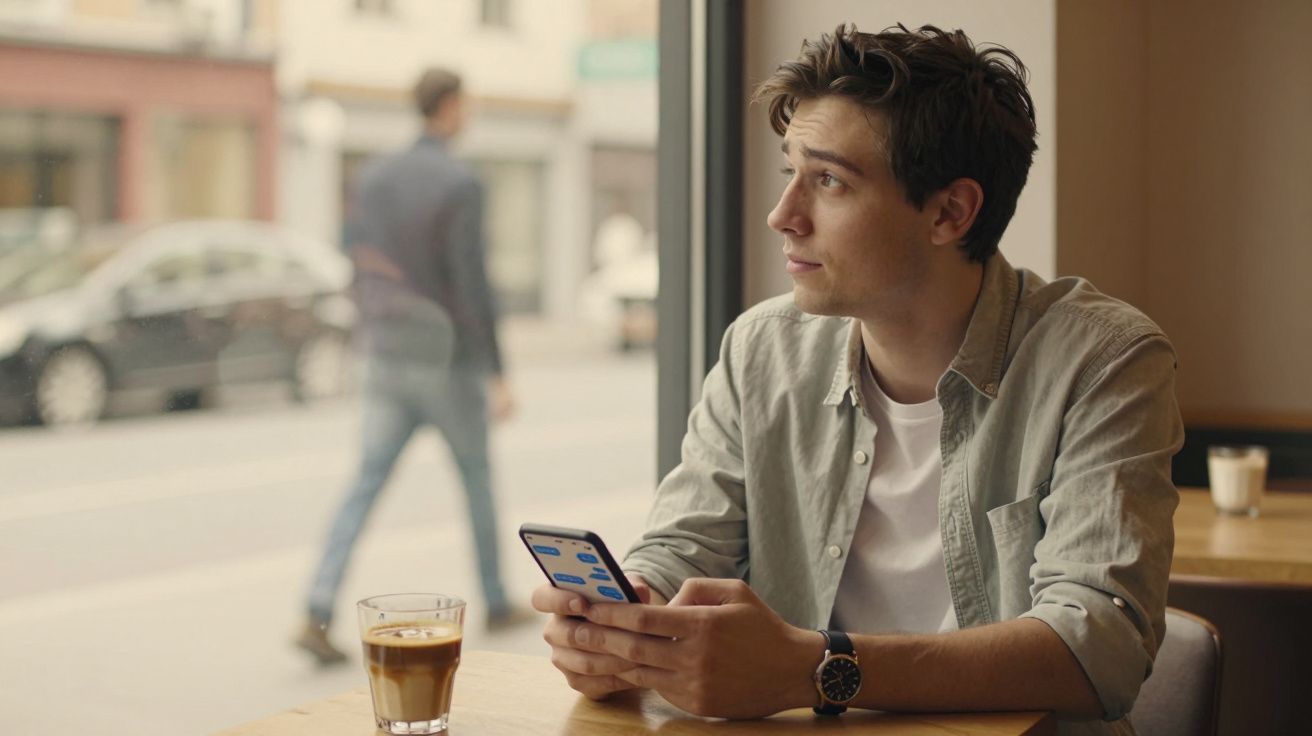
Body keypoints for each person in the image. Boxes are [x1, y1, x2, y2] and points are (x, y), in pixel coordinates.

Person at [532, 24, 1182, 735]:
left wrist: (815, 667)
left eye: (830, 181)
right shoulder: (763, 350)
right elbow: (685, 547)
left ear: (949, 212)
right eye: (790, 174)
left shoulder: (1104, 360)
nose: (785, 216)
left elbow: (1099, 648)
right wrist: (628, 618)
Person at [296, 68, 526, 665]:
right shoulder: (460, 182)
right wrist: (497, 373)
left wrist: (363, 335)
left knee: (363, 484)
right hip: (445, 361)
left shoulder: (372, 176)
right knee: (475, 479)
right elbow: (472, 286)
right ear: (450, 106)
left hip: (383, 354)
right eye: (466, 104)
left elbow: (358, 259)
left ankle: (316, 607)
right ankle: (497, 601)